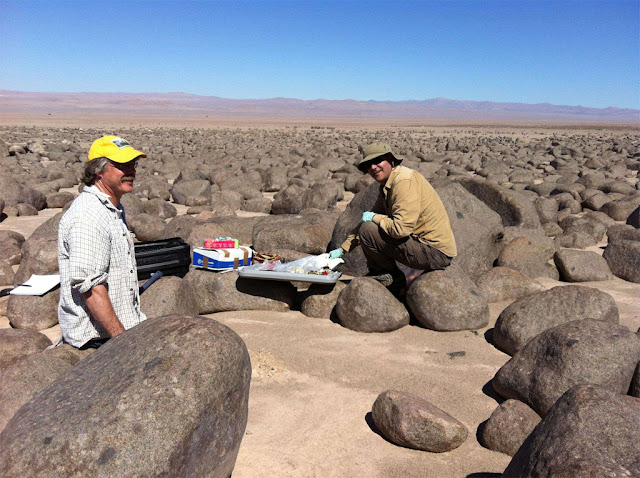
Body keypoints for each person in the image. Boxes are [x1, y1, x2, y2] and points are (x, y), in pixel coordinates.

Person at [329, 142, 457, 293]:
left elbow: (400, 229)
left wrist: (375, 218)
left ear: (390, 159)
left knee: (369, 229)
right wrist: (342, 250)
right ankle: (387, 275)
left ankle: (390, 277)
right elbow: (367, 219)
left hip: (435, 252)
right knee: (367, 226)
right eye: (368, 165)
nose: (373, 167)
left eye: (377, 161)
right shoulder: (387, 186)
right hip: (424, 246)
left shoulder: (403, 182)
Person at [57, 135, 147, 349]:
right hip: (98, 339)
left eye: (132, 164)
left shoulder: (112, 208)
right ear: (98, 170)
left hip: (115, 331)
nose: (131, 171)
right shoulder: (88, 216)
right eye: (122, 165)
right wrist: (123, 342)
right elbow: (91, 288)